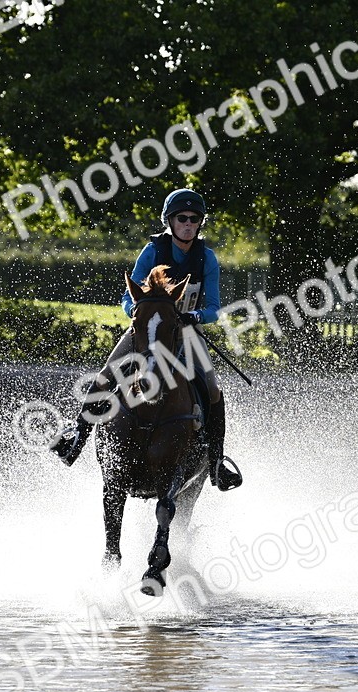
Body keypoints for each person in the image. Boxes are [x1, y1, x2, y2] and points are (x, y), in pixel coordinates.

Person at [50, 189, 243, 491]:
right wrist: (138, 313)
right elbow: (128, 298)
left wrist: (195, 316)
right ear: (170, 220)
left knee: (212, 387)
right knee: (104, 377)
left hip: (187, 332)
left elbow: (214, 309)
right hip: (148, 329)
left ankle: (217, 462)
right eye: (182, 218)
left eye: (195, 219)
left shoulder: (206, 256)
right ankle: (77, 436)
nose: (189, 224)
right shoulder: (152, 251)